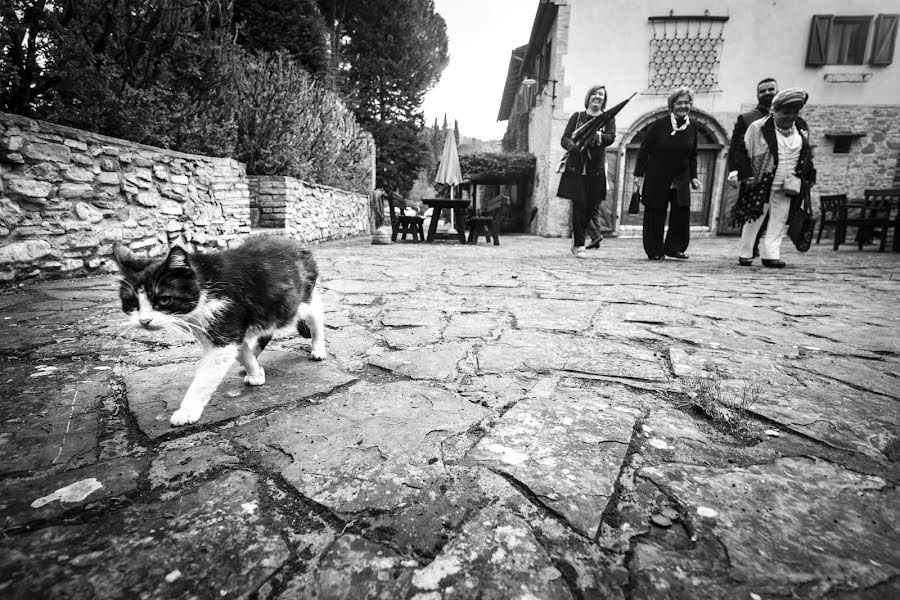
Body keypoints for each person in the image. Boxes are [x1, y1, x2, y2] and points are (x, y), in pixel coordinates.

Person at [730, 88, 816, 268]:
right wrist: (745, 174)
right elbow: (742, 151)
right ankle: (745, 253)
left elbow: (807, 154)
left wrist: (809, 175)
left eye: (794, 112)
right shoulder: (759, 127)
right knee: (754, 218)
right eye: (786, 112)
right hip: (762, 179)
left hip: (789, 182)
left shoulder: (801, 127)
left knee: (780, 218)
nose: (790, 116)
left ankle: (771, 254)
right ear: (774, 111)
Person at [632, 86, 701, 260]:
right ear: (672, 105)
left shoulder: (693, 128)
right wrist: (638, 175)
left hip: (681, 178)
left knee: (680, 214)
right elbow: (644, 150)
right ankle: (655, 250)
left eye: (686, 102)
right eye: (679, 102)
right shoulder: (659, 125)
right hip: (658, 176)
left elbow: (692, 154)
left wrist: (694, 176)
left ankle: (674, 248)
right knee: (655, 214)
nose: (683, 106)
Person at [558, 85, 616, 258]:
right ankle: (580, 244)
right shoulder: (577, 117)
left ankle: (577, 237)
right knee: (579, 205)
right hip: (577, 168)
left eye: (601, 95)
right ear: (589, 97)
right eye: (594, 93)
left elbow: (611, 137)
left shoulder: (607, 119)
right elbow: (564, 138)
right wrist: (573, 146)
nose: (597, 97)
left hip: (595, 169)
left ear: (604, 99)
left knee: (591, 207)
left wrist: (598, 136)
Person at [727, 78, 778, 257]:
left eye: (771, 89)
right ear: (757, 95)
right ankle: (749, 247)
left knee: (772, 212)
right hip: (754, 173)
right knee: (751, 209)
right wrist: (737, 172)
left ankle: (763, 247)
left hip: (777, 173)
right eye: (763, 91)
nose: (767, 93)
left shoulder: (785, 117)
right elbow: (736, 147)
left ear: (777, 91)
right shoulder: (748, 118)